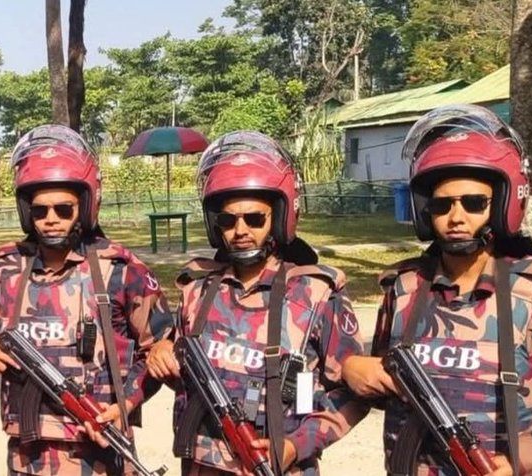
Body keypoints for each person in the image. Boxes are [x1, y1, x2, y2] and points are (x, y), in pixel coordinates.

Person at [342, 105, 532, 475]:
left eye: (474, 203)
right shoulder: (405, 287)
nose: (456, 217)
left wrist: (520, 459)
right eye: (442, 204)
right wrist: (355, 370)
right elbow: (390, 385)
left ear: (503, 203)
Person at [144, 132, 367, 475]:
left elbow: (352, 394)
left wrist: (298, 444)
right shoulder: (198, 289)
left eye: (254, 219)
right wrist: (162, 350)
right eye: (227, 220)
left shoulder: (315, 293)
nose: (240, 230)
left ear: (278, 217)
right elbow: (181, 360)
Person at [0, 124, 172, 475]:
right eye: (40, 211)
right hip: (27, 451)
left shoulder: (120, 269)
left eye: (63, 209)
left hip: (99, 447)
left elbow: (161, 349)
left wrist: (126, 403)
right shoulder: (8, 268)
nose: (50, 220)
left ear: (86, 206)